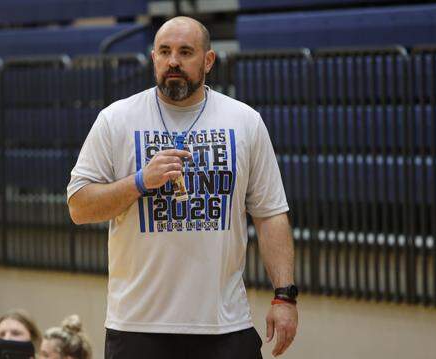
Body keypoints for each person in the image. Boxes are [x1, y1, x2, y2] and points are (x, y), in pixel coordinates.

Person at [67, 16, 298, 359]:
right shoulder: (116, 120)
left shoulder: (244, 121)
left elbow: (270, 215)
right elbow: (79, 207)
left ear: (208, 60)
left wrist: (284, 296)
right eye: (165, 51)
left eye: (185, 51)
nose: (173, 61)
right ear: (153, 58)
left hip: (224, 325)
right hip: (138, 326)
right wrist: (140, 181)